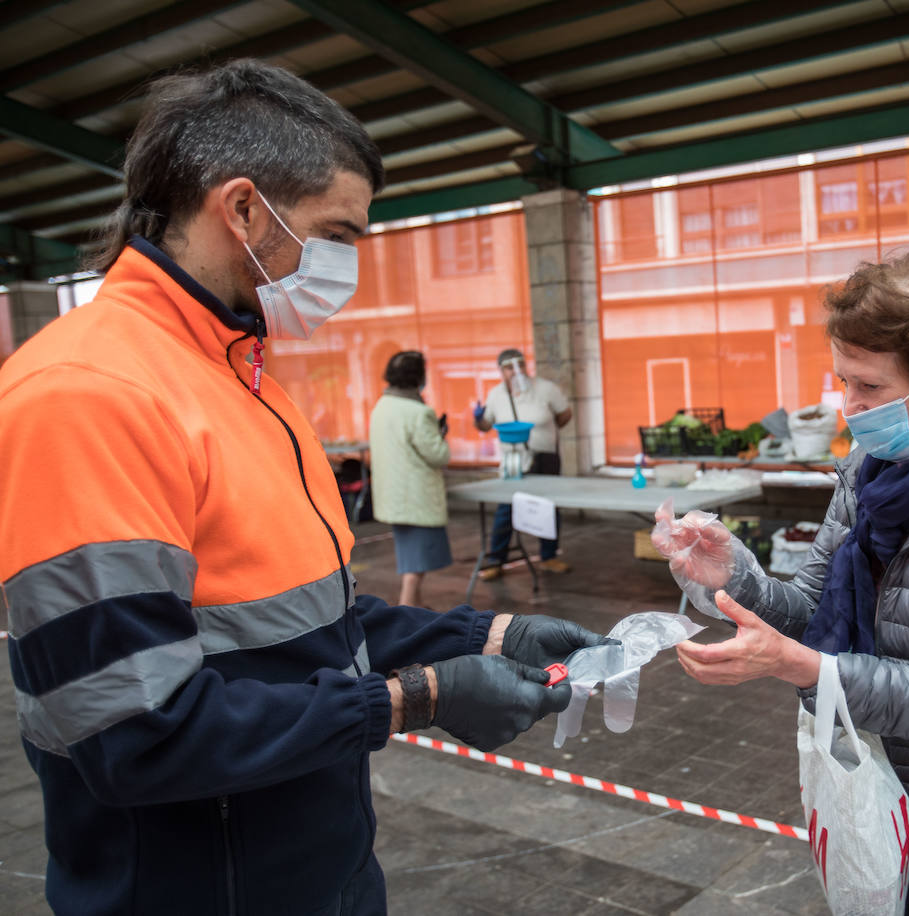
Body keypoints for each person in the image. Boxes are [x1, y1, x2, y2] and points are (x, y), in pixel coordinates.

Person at [0, 61, 606, 916]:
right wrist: (419, 698)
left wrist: (489, 633)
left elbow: (305, 624)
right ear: (243, 209)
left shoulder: (242, 379)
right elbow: (134, 733)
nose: (347, 265)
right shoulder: (88, 396)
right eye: (336, 233)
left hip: (314, 867)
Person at [654, 248, 909, 915]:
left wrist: (793, 664)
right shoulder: (866, 477)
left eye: (870, 387)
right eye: (843, 381)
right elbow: (811, 608)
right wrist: (734, 578)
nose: (850, 407)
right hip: (874, 804)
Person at [474, 347, 573, 578]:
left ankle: (549, 556)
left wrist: (547, 433)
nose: (516, 371)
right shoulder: (496, 395)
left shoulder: (546, 389)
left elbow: (564, 414)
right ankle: (496, 560)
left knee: (549, 506)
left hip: (545, 456)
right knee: (506, 507)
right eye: (509, 367)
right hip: (513, 460)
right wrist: (477, 418)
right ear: (501, 371)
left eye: (520, 365)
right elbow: (485, 425)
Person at [370, 350, 453, 608]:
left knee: (410, 559)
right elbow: (438, 455)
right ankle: (406, 612)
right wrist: (440, 435)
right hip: (417, 498)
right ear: (418, 376)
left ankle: (416, 609)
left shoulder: (382, 406)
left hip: (394, 496)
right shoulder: (418, 412)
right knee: (415, 568)